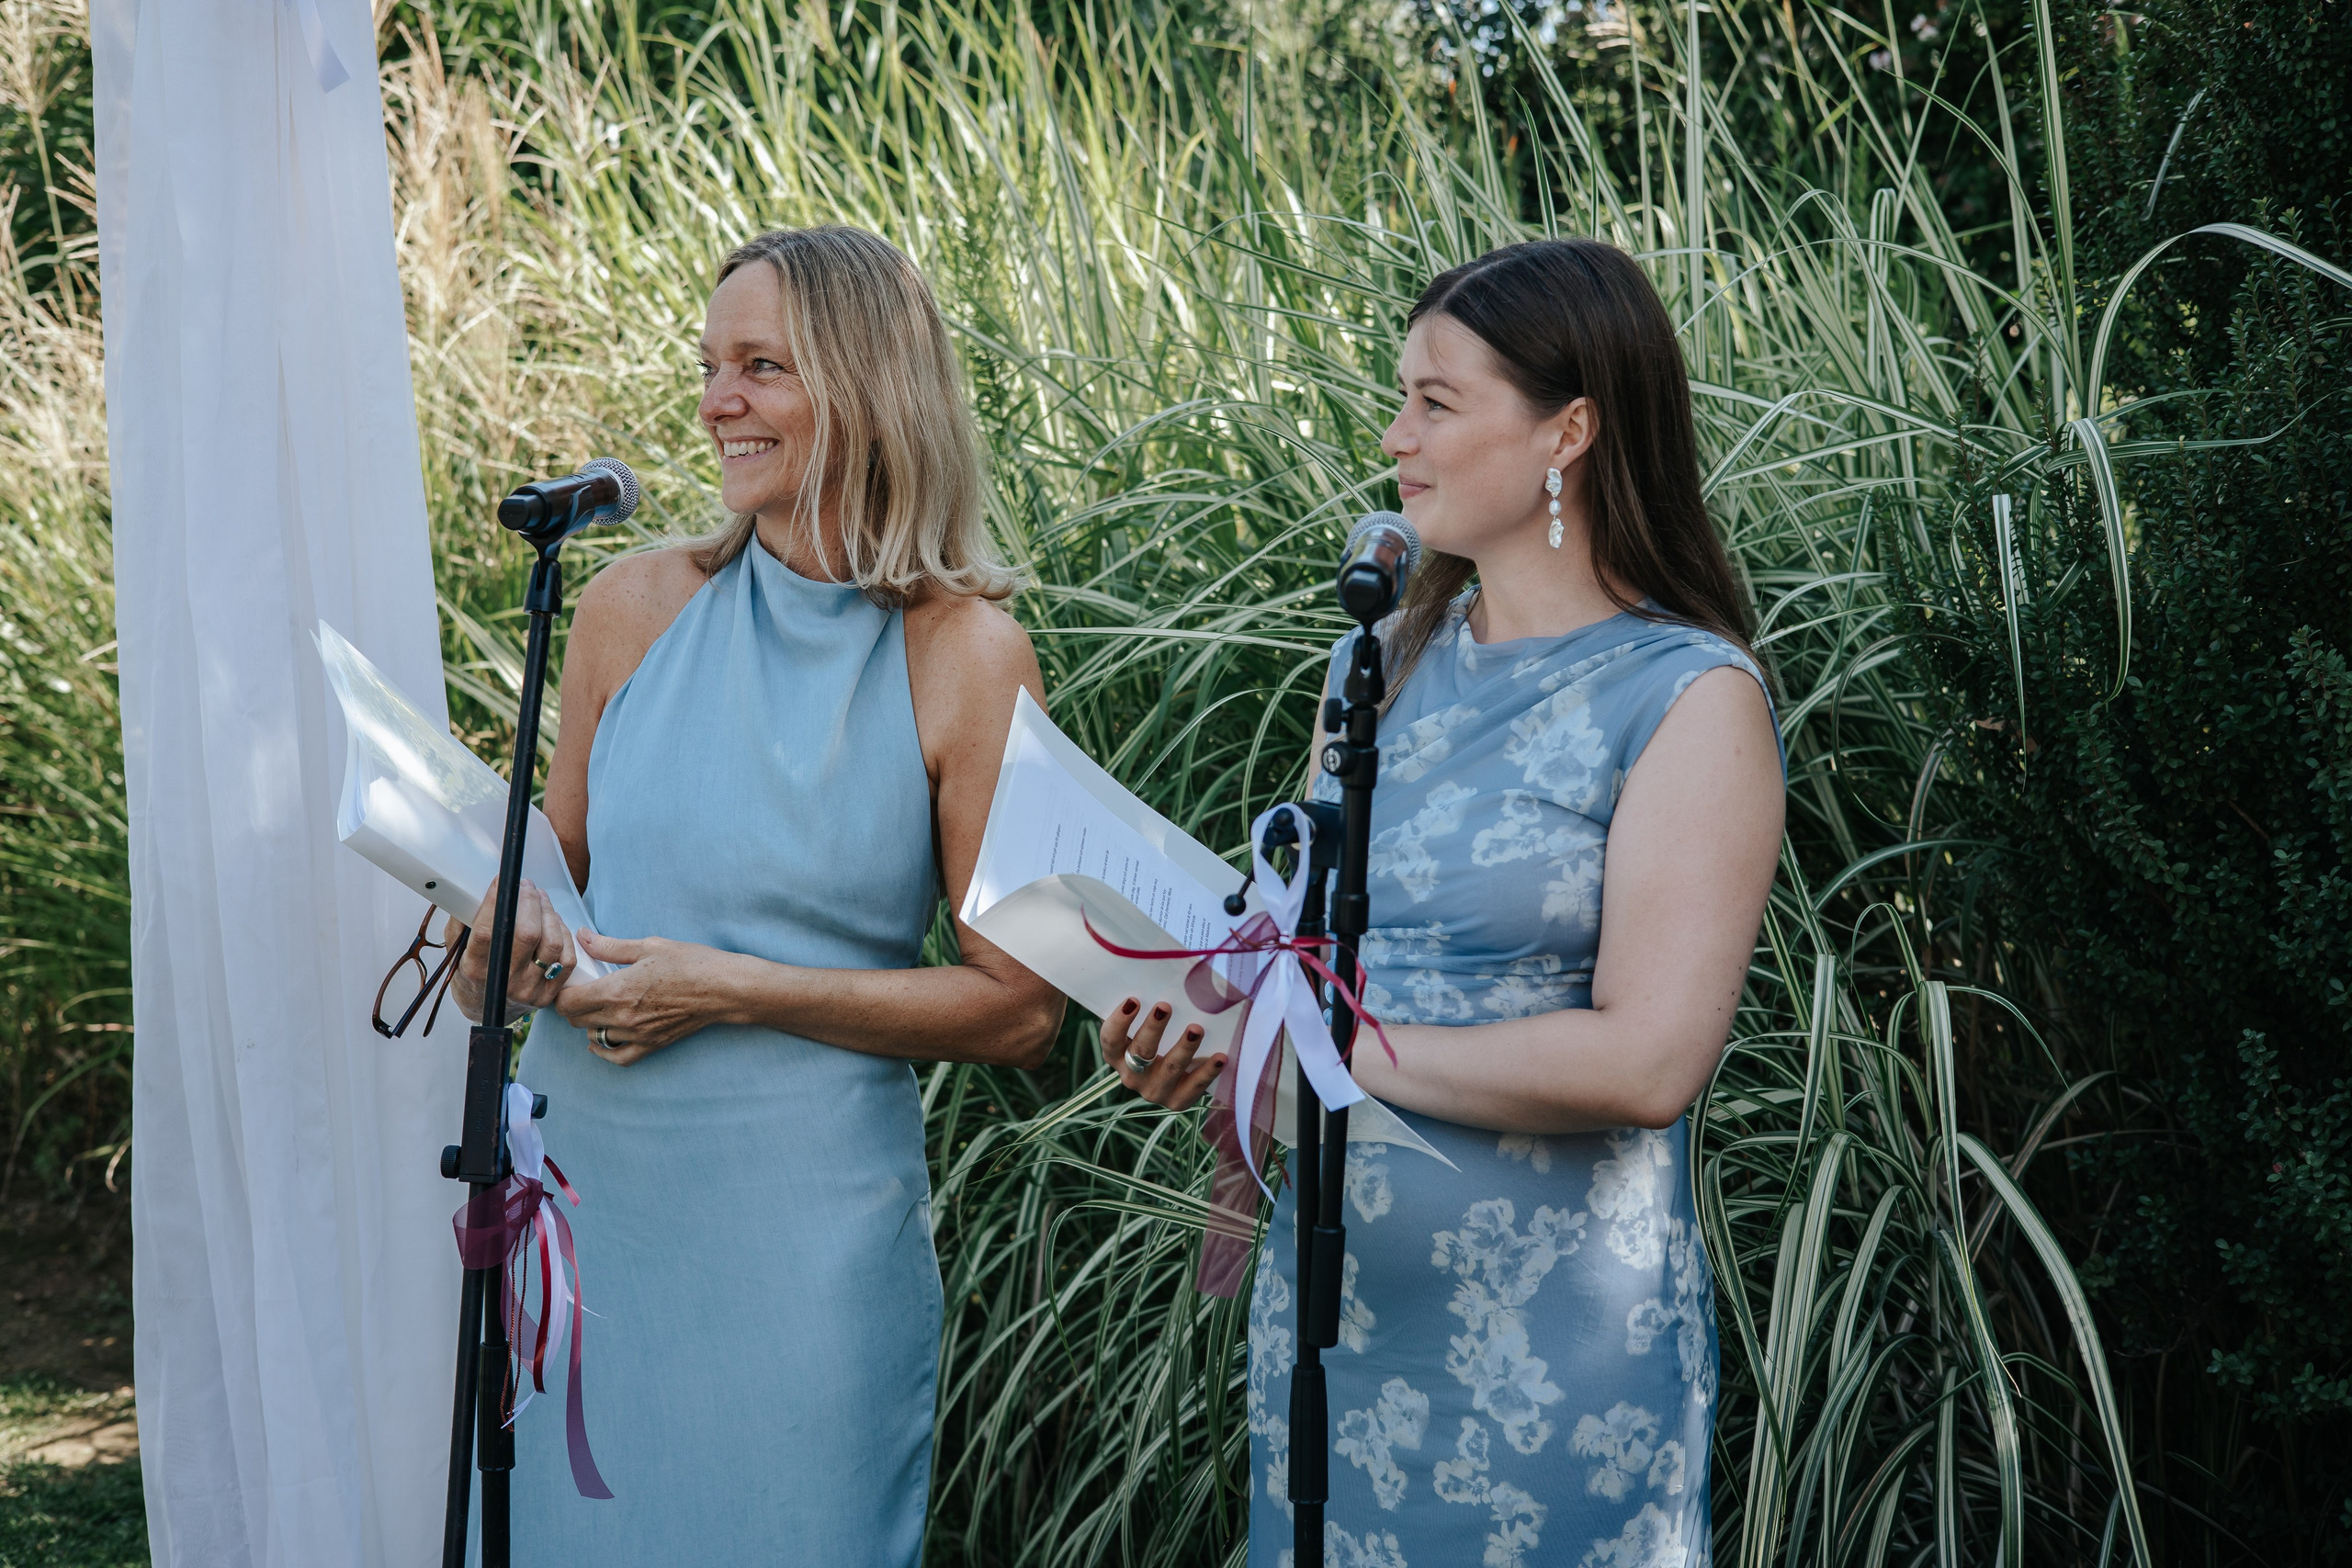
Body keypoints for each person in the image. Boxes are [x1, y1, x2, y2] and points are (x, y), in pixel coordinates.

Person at [1104, 238, 1785, 1568]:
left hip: (1552, 1371)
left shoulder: (1689, 699)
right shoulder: (1381, 665)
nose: (1394, 433)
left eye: (1436, 400)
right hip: (1336, 1335)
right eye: (1399, 395)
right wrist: (1214, 1054)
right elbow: (1301, 965)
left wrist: (1345, 1057)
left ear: (1568, 432)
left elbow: (1650, 1060)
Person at [445, 224, 1064, 1564]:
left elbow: (1020, 1009)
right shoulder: (623, 608)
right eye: (712, 363)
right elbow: (544, 887)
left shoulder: (965, 653)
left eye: (763, 367)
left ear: (868, 387)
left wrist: (728, 989)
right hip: (599, 1223)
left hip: (806, 1245)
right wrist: (493, 935)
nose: (718, 400)